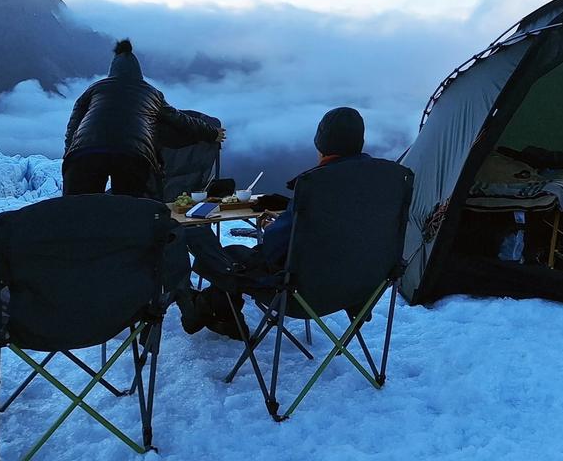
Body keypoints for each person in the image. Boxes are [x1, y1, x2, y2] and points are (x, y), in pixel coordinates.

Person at [182, 107, 370, 336]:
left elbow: (274, 247)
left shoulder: (318, 186)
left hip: (300, 292)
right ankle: (218, 312)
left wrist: (275, 227)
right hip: (358, 288)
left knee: (230, 256)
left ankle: (208, 309)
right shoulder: (382, 185)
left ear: (321, 144)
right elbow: (334, 230)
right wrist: (289, 218)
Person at [63, 39, 225, 198]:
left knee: (78, 211)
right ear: (138, 72)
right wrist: (211, 133)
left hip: (85, 153)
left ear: (112, 71)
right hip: (132, 155)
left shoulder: (95, 89)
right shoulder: (151, 93)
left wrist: (68, 155)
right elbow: (181, 121)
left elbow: (73, 125)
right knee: (131, 213)